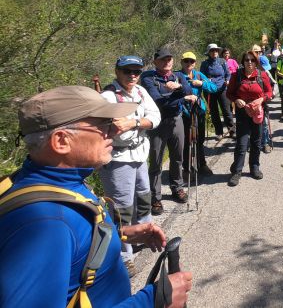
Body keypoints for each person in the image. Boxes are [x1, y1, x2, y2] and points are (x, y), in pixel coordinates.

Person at [0, 86, 191, 307]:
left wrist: (115, 235)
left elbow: (71, 249)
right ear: (61, 141)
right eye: (103, 124)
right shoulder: (47, 224)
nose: (113, 131)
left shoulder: (46, 181)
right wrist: (153, 300)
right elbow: (59, 234)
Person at [99, 55, 161, 277]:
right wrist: (130, 125)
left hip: (138, 154)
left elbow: (155, 117)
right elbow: (107, 128)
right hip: (117, 159)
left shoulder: (140, 92)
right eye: (128, 71)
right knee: (121, 207)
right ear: (117, 72)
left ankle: (144, 232)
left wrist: (133, 122)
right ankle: (125, 254)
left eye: (136, 71)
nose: (133, 75)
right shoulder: (107, 97)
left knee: (144, 196)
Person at [141, 47, 196, 215]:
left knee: (177, 157)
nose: (167, 62)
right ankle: (155, 197)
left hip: (177, 120)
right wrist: (181, 95)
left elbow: (188, 90)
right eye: (163, 59)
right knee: (156, 161)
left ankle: (177, 187)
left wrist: (179, 89)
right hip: (158, 122)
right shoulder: (148, 77)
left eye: (169, 59)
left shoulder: (177, 76)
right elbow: (157, 100)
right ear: (156, 61)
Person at [226, 50, 272, 186]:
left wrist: (261, 99)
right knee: (242, 143)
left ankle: (254, 167)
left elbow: (270, 92)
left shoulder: (262, 75)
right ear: (243, 62)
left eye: (252, 60)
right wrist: (237, 100)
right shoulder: (236, 76)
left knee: (256, 142)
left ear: (256, 62)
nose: (250, 62)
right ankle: (237, 171)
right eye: (247, 60)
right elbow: (229, 93)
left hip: (258, 112)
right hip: (242, 113)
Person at [178, 51, 217, 177]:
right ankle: (186, 167)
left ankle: (202, 165)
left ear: (195, 63)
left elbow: (214, 88)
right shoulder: (177, 75)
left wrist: (202, 84)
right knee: (185, 141)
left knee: (199, 140)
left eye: (192, 61)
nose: (189, 63)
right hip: (183, 111)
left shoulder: (199, 75)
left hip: (198, 111)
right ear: (182, 62)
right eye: (186, 61)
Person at [200, 43, 235, 139]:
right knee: (214, 112)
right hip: (210, 90)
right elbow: (201, 76)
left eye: (216, 50)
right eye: (212, 50)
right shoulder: (205, 64)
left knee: (226, 110)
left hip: (222, 89)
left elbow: (228, 73)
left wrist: (227, 80)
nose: (214, 52)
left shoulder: (222, 61)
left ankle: (232, 130)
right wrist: (207, 80)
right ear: (208, 53)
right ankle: (219, 132)